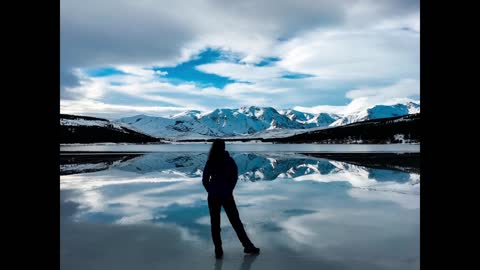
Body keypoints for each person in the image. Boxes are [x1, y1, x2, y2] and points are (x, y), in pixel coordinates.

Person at [202, 139, 260, 259]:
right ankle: (247, 246)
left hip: (213, 196)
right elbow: (234, 177)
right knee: (236, 222)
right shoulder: (229, 160)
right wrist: (228, 190)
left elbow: (205, 180)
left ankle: (218, 250)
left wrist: (211, 190)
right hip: (226, 196)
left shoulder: (211, 161)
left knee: (215, 223)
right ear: (224, 147)